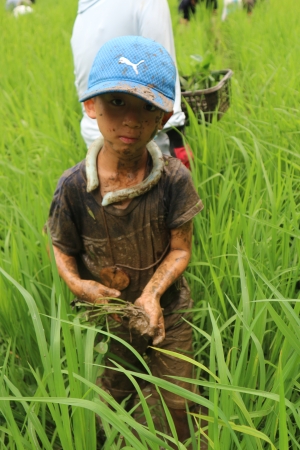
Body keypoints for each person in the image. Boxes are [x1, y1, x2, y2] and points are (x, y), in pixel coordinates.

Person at [46, 36, 204, 447]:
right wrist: (79, 285)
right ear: (91, 106)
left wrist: (152, 294)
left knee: (179, 400)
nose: (131, 120)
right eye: (116, 102)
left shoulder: (173, 179)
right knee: (107, 398)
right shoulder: (75, 187)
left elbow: (181, 248)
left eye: (147, 107)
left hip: (168, 310)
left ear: (165, 116)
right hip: (107, 317)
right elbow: (62, 247)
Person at [71, 0, 186, 157]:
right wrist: (176, 134)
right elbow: (161, 63)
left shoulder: (85, 9)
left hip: (100, 130)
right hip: (141, 140)